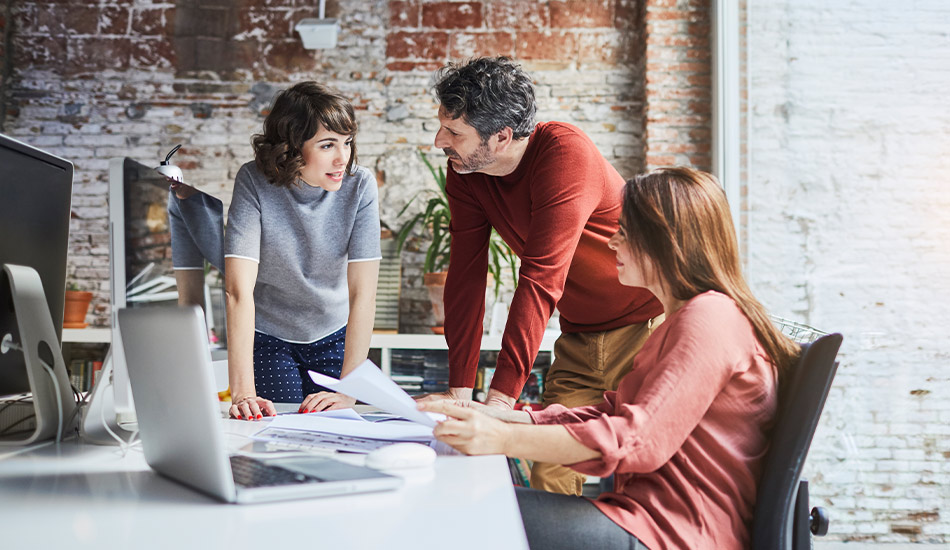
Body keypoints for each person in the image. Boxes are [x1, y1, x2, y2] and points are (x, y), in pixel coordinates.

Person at [420, 167, 801, 550]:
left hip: (674, 534)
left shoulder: (709, 320)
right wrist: (490, 414)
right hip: (645, 519)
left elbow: (635, 439)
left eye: (626, 230)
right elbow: (609, 413)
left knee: (462, 510)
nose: (612, 242)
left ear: (666, 241)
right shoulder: (685, 320)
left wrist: (503, 438)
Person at [423, 56, 663, 495]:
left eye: (454, 132)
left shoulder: (563, 152)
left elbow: (541, 278)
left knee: (648, 470)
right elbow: (466, 276)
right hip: (581, 339)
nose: (440, 141)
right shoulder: (466, 171)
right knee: (551, 474)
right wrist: (460, 392)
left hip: (647, 331)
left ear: (501, 137)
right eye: (442, 126)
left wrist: (498, 403)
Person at [225, 82, 381, 421]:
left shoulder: (361, 185)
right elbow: (238, 290)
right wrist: (242, 393)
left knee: (337, 430)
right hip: (271, 338)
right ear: (293, 148)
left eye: (347, 143)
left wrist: (349, 389)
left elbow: (364, 293)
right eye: (328, 145)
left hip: (335, 333)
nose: (343, 158)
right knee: (276, 429)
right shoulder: (253, 181)